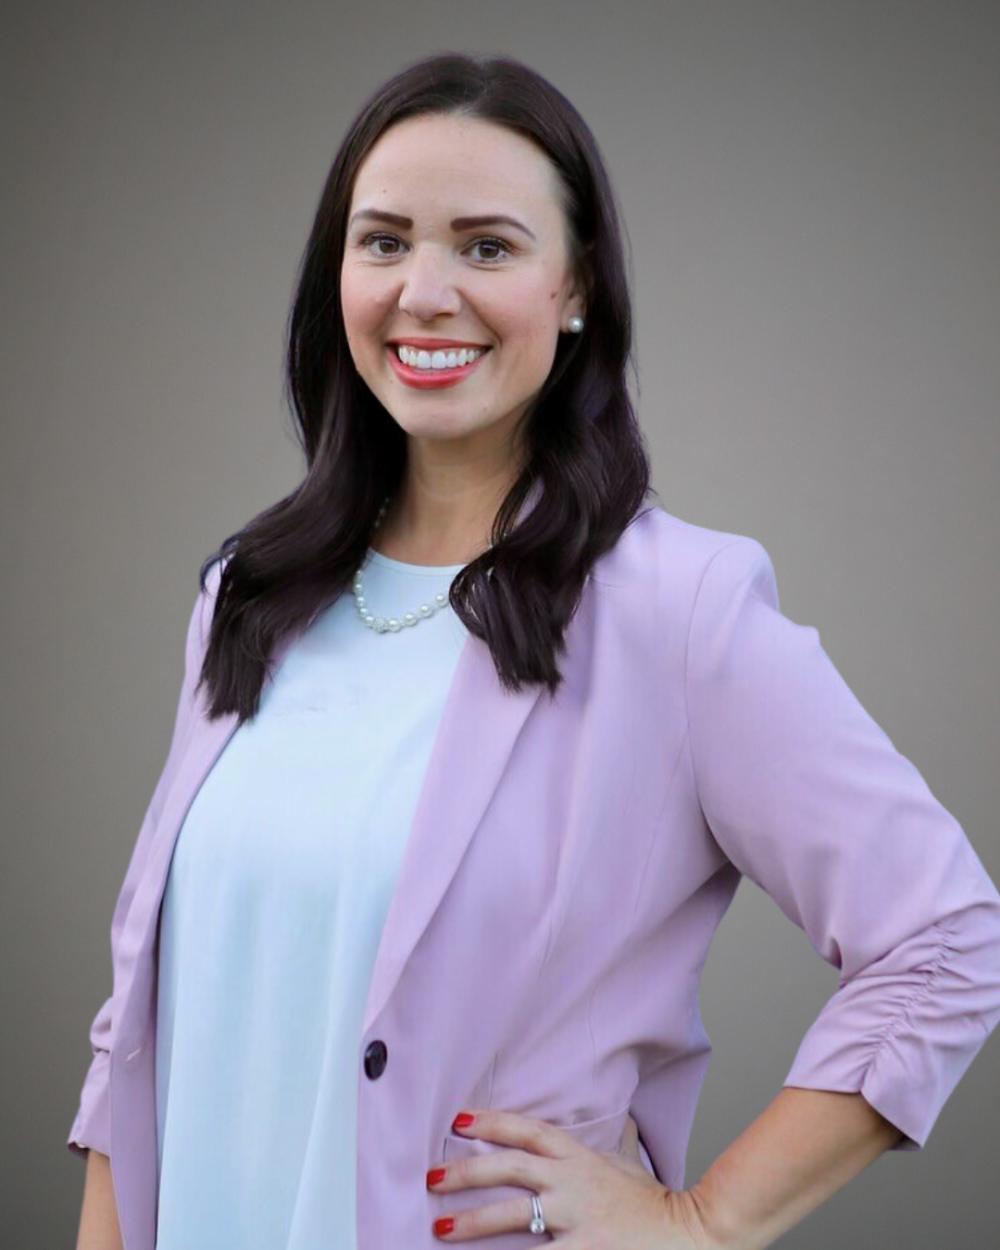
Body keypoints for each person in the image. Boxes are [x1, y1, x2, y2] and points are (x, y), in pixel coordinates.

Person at [69, 52, 1000, 1250]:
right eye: (385, 240)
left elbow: (944, 938)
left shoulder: (679, 612)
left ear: (577, 291)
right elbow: (138, 1029)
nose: (424, 292)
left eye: (487, 246)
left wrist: (704, 1221)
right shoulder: (249, 593)